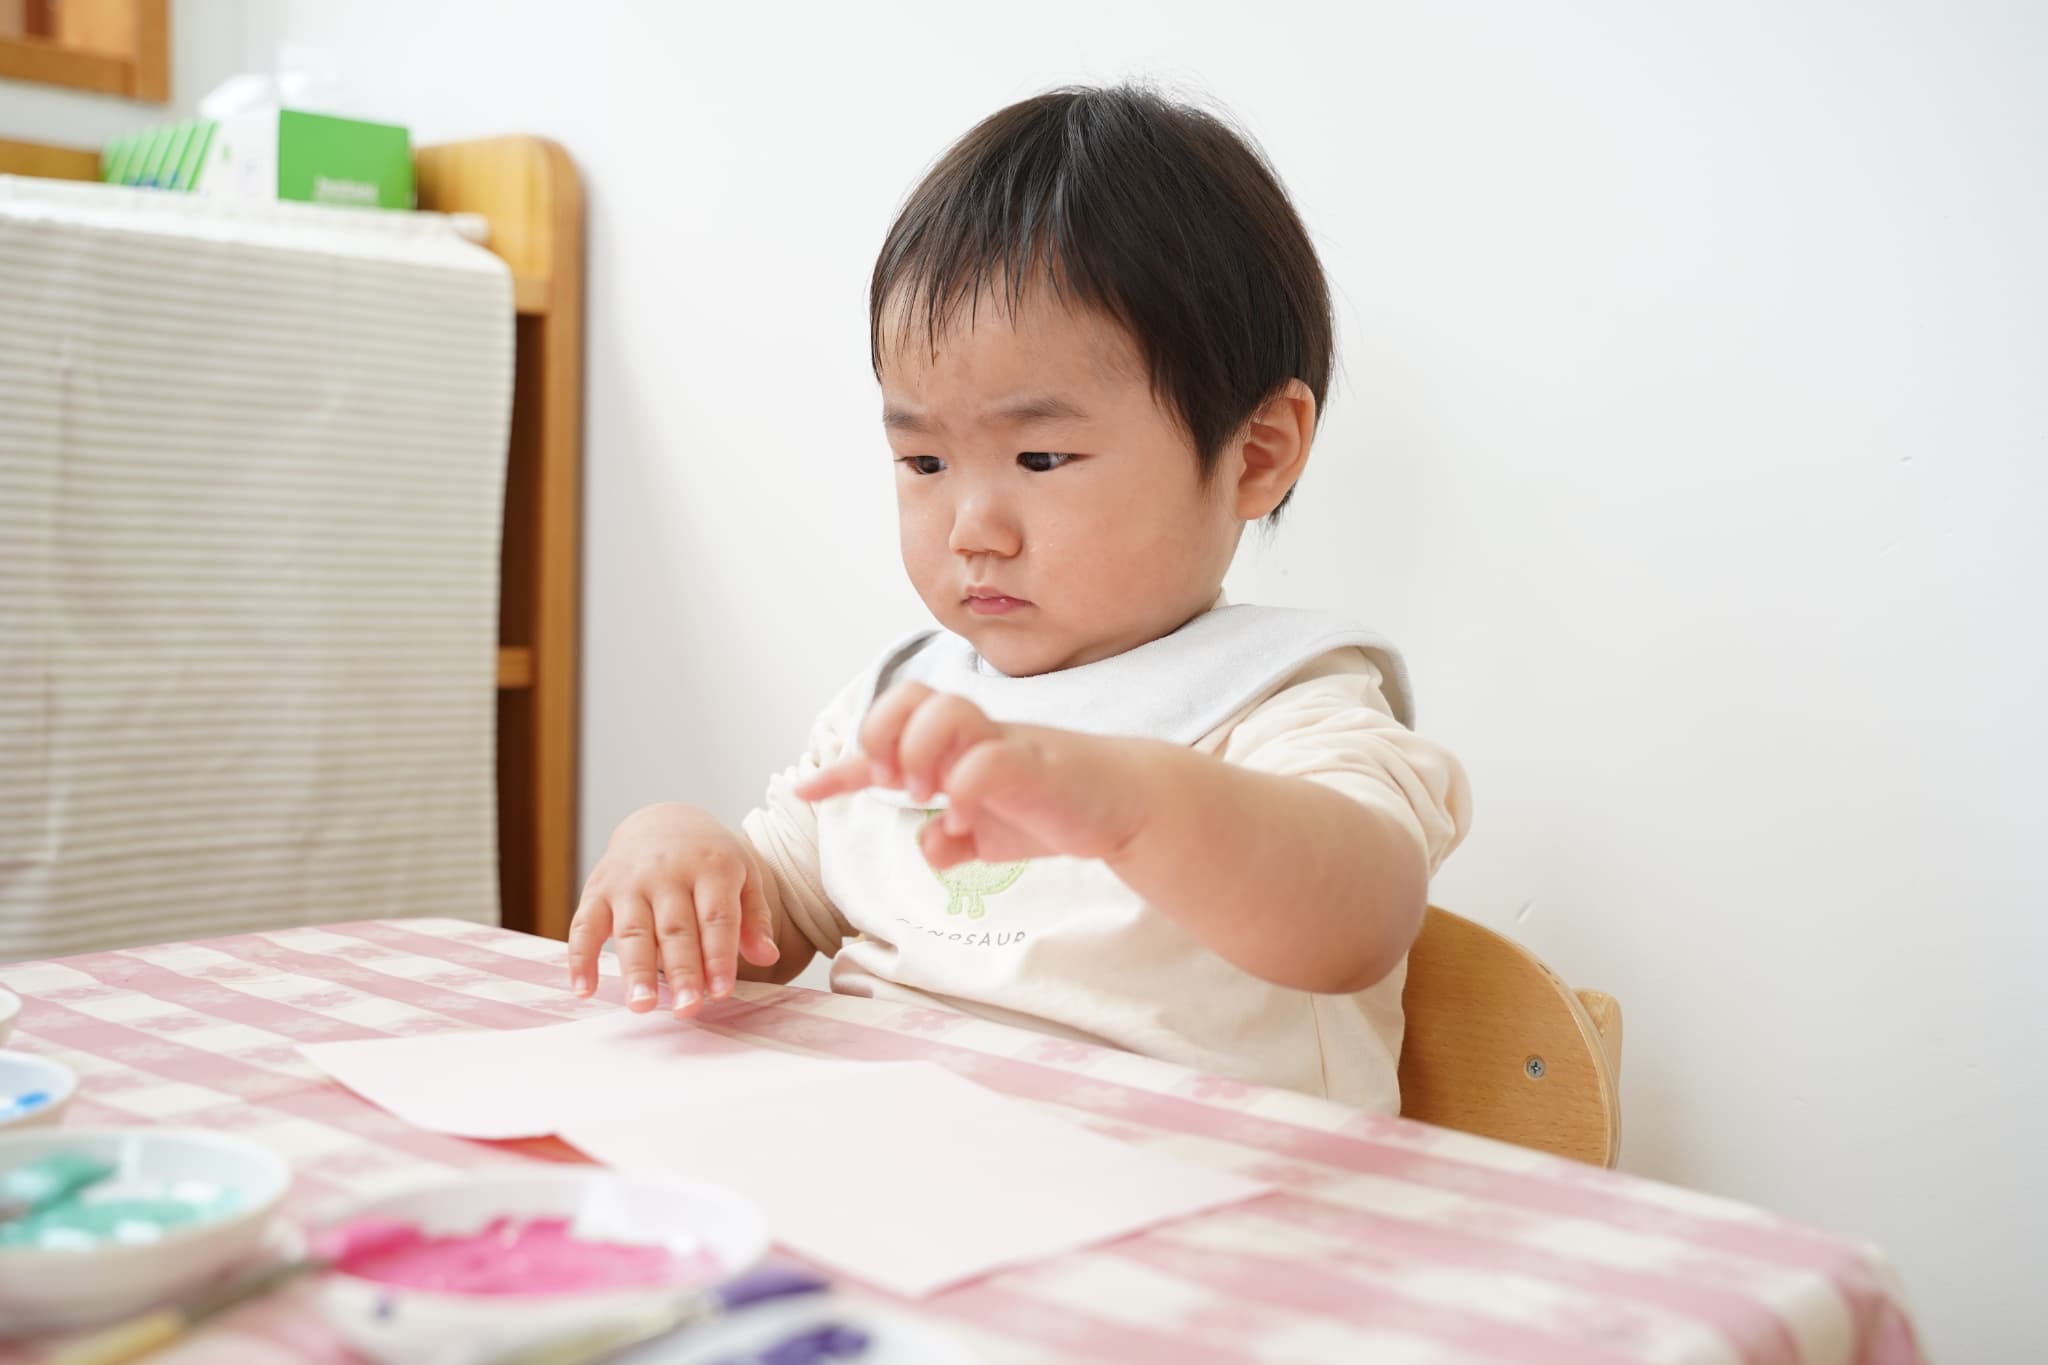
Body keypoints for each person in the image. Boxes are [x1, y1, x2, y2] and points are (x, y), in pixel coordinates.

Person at [567, 85, 1471, 1110]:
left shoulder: (1285, 701)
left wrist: (1129, 804)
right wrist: (679, 855)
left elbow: (1358, 920)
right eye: (923, 461)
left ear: (1255, 454)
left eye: (1040, 458)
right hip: (908, 1161)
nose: (971, 528)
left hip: (1191, 1181)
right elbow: (769, 920)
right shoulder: (905, 704)